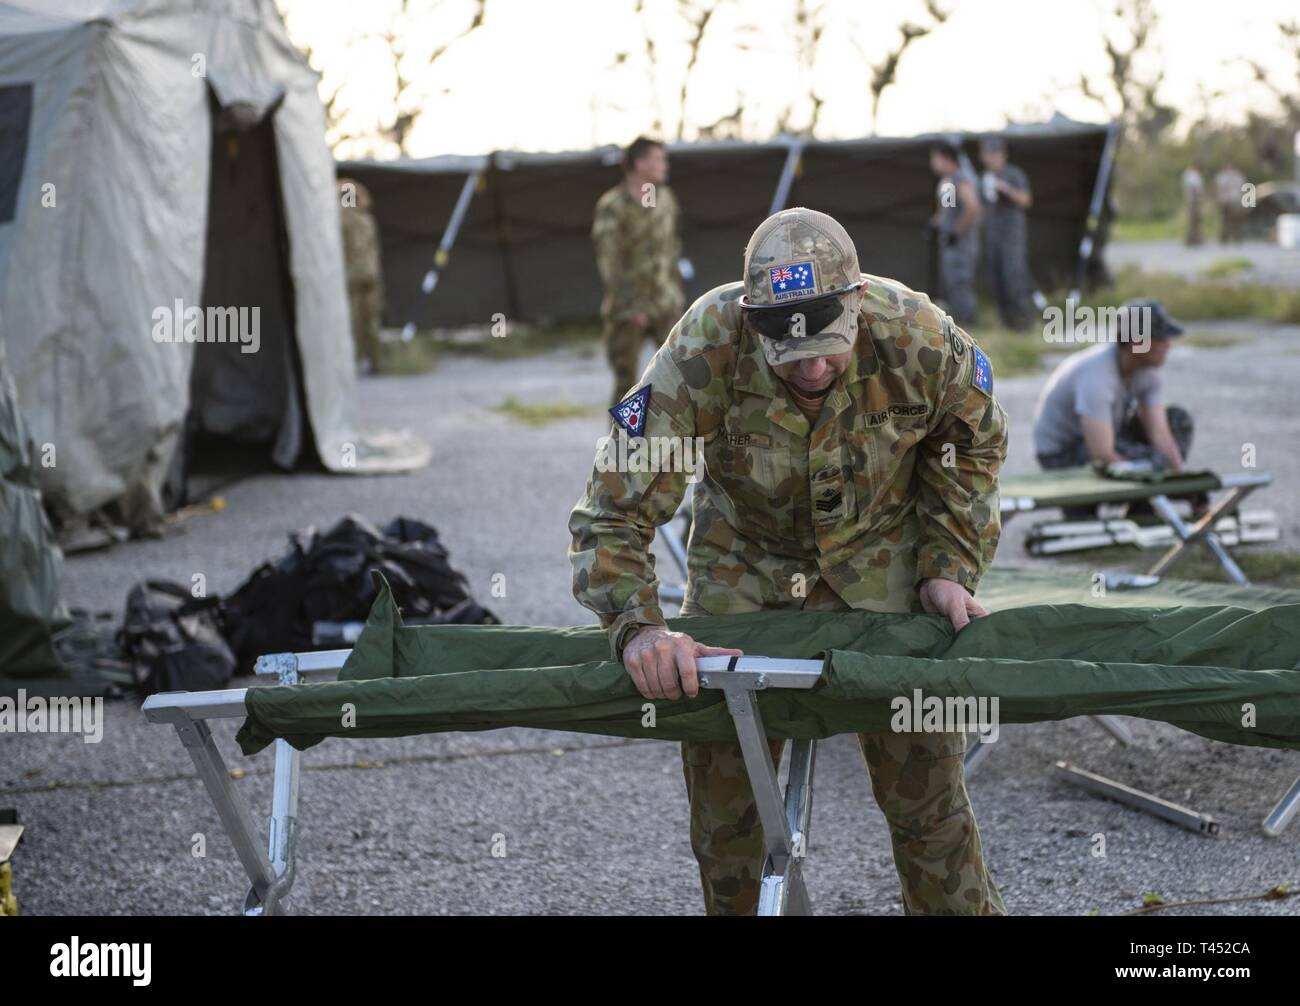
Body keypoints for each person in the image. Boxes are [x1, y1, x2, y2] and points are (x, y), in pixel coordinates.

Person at [569, 207, 1009, 916]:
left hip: (885, 556)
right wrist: (640, 627)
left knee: (929, 808)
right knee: (729, 821)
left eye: (829, 346)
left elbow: (976, 441)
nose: (811, 368)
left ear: (858, 301)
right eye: (788, 350)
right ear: (752, 319)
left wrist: (948, 565)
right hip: (745, 566)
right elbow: (613, 509)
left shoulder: (917, 335)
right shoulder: (705, 347)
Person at [1031, 299, 1192, 472]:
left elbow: (1160, 435)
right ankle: (1143, 491)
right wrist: (1143, 470)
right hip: (1063, 453)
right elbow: (1102, 454)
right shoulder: (1096, 375)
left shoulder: (1147, 370)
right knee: (1154, 461)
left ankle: (1155, 489)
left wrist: (1182, 479)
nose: (1168, 346)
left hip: (1103, 437)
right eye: (1161, 339)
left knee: (1178, 421)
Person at [591, 137, 684, 408]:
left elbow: (672, 250)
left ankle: (673, 444)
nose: (664, 165)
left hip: (666, 304)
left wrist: (676, 295)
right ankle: (622, 447)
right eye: (658, 159)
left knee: (678, 376)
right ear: (640, 163)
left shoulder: (666, 199)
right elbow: (610, 262)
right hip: (627, 310)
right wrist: (631, 306)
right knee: (627, 384)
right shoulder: (613, 205)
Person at [977, 136, 1034, 330]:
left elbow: (1026, 200)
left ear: (1003, 155)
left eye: (994, 154)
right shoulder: (983, 178)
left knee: (1014, 277)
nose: (991, 158)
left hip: (1012, 236)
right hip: (992, 236)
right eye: (987, 154)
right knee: (996, 279)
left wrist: (1006, 190)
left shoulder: (1013, 174)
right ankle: (1007, 322)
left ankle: (1023, 321)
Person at [928, 141, 982, 326]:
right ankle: (959, 322)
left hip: (961, 244)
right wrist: (935, 224)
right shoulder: (948, 182)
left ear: (946, 159)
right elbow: (948, 209)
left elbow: (972, 208)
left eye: (935, 158)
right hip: (949, 243)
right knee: (951, 282)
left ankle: (968, 323)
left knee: (960, 282)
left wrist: (956, 233)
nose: (933, 163)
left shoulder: (960, 179)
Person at [338, 177, 384, 374]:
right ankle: (356, 362)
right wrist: (347, 187)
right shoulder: (347, 217)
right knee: (354, 322)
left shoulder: (366, 220)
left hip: (369, 276)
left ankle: (375, 362)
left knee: (371, 322)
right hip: (354, 277)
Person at [1214, 162, 1246, 244]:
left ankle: (1237, 237)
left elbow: (1242, 188)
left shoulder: (1237, 176)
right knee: (1225, 220)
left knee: (1236, 219)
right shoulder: (1221, 176)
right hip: (1225, 201)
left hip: (1235, 200)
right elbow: (1220, 187)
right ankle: (1224, 237)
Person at [1181, 162, 1204, 247]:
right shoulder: (1191, 175)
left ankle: (1196, 238)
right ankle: (1192, 239)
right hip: (1193, 201)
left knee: (1196, 221)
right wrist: (1196, 197)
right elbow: (1193, 188)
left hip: (1195, 200)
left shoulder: (1194, 174)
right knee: (1193, 220)